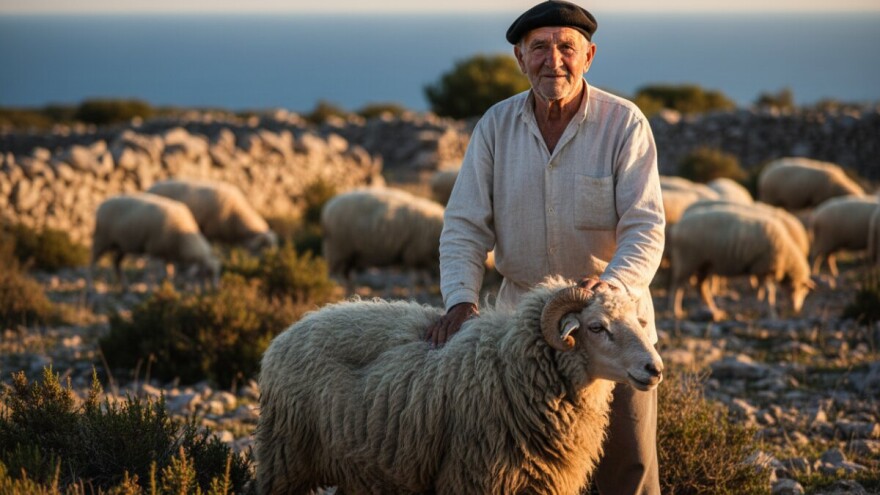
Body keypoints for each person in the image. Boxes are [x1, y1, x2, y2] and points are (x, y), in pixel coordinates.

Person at [425, 1, 666, 493]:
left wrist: (613, 284)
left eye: (566, 47)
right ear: (519, 58)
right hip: (523, 342)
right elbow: (465, 225)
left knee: (628, 470)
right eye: (539, 47)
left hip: (613, 328)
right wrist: (460, 301)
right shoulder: (496, 126)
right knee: (519, 470)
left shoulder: (624, 124)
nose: (552, 59)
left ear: (589, 56)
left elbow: (645, 225)